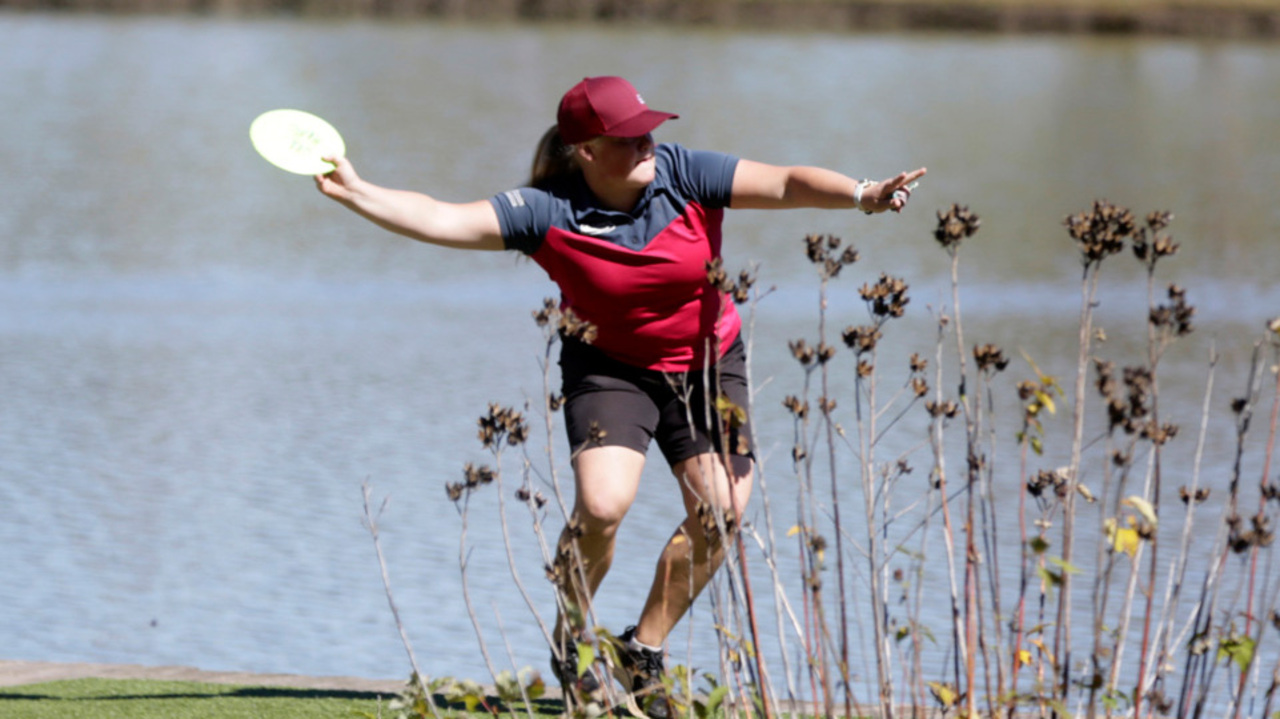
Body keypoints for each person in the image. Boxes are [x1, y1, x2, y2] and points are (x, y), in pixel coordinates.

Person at [316, 75, 926, 717]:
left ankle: (643, 650)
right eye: (629, 138)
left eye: (649, 131)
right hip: (607, 368)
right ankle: (573, 642)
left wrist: (865, 194)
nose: (647, 145)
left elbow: (784, 182)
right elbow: (443, 218)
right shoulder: (546, 211)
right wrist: (358, 194)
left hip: (707, 366)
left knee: (722, 512)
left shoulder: (685, 174)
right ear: (585, 150)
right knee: (603, 505)